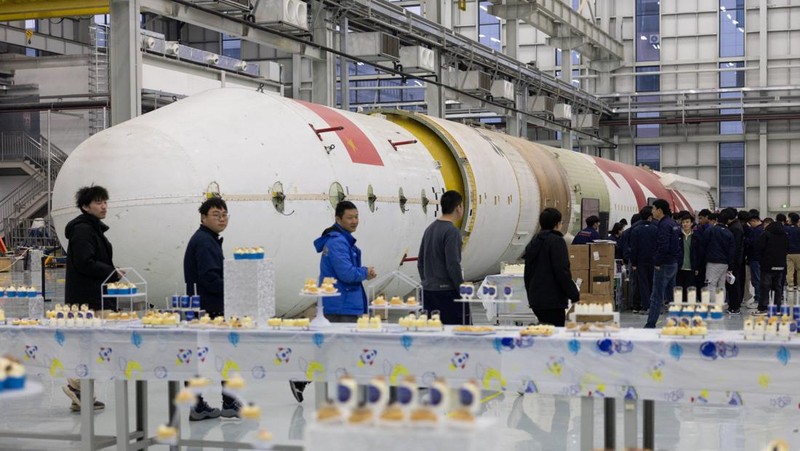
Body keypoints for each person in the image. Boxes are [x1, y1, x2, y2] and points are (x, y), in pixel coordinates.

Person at [291, 200, 376, 403]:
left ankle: (304, 379)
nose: (355, 221)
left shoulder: (341, 240)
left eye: (356, 217)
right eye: (350, 217)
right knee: (343, 350)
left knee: (333, 349)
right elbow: (346, 273)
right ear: (338, 219)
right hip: (342, 304)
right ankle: (343, 394)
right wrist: (365, 272)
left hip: (342, 302)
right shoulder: (338, 242)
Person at [63, 185, 122, 412]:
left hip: (93, 296)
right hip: (87, 300)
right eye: (98, 202)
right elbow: (84, 262)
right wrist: (112, 272)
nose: (104, 206)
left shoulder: (92, 229)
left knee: (89, 345)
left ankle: (80, 393)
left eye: (105, 201)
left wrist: (112, 272)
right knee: (91, 344)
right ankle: (77, 387)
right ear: (86, 206)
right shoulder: (83, 230)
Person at [183, 197, 240, 420]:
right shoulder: (205, 242)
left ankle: (199, 403)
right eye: (216, 215)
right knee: (222, 355)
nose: (222, 219)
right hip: (209, 308)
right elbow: (209, 279)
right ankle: (226, 402)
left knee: (204, 357)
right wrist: (236, 290)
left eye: (224, 214)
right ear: (203, 218)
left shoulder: (208, 239)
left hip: (204, 306)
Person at [523, 208, 579, 327]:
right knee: (554, 336)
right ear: (557, 224)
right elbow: (562, 271)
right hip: (553, 301)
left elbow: (527, 273)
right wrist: (574, 294)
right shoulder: (557, 242)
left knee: (544, 333)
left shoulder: (533, 243)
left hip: (536, 300)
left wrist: (530, 296)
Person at [418, 190, 466, 325]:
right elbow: (453, 264)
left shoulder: (429, 229)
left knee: (433, 335)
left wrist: (427, 282)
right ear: (458, 208)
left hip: (428, 292)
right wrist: (461, 288)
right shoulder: (452, 232)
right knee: (456, 334)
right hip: (447, 293)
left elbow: (420, 262)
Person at [644, 199, 681, 328]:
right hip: (673, 263)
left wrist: (658, 262)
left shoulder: (664, 225)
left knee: (656, 296)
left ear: (659, 210)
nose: (652, 211)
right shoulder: (673, 223)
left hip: (664, 264)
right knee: (671, 295)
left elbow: (663, 246)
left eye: (653, 209)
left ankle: (650, 324)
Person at [755, 217, 788, 314]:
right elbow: (787, 248)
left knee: (765, 287)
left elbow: (759, 248)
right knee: (778, 287)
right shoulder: (784, 235)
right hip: (780, 265)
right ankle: (777, 307)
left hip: (767, 265)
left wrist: (761, 260)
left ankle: (763, 307)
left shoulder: (766, 234)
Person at [703, 210, 735, 305]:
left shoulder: (710, 230)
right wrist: (731, 266)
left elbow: (703, 245)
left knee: (711, 285)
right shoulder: (729, 233)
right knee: (721, 285)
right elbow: (732, 251)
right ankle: (720, 304)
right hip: (725, 263)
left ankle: (713, 306)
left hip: (713, 262)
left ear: (716, 220)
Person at [630, 206, 657, 314]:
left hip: (641, 262)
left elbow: (634, 248)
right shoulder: (656, 228)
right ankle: (654, 305)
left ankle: (646, 306)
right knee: (653, 283)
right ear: (650, 217)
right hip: (654, 261)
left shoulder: (636, 230)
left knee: (643, 284)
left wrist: (634, 263)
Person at [676, 214, 700, 303]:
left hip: (691, 267)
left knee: (690, 289)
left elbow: (698, 253)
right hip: (679, 266)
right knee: (679, 289)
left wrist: (697, 267)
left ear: (691, 223)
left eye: (687, 222)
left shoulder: (696, 237)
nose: (685, 224)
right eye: (683, 222)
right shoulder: (677, 236)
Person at [724, 208, 745, 313]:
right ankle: (734, 304)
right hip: (736, 259)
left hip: (735, 260)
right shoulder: (736, 226)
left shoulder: (735, 228)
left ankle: (734, 306)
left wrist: (731, 263)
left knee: (733, 284)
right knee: (734, 283)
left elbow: (735, 247)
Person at [745, 213, 764, 309]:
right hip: (759, 258)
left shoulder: (757, 231)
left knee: (757, 280)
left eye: (750, 223)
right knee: (757, 279)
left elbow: (753, 243)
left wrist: (746, 240)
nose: (750, 225)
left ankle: (758, 300)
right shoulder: (762, 229)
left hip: (755, 258)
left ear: (754, 220)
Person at [785, 213, 800, 291]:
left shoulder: (786, 229)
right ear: (798, 220)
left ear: (790, 219)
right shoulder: (799, 229)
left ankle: (790, 285)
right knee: (799, 270)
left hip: (789, 253)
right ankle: (799, 285)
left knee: (790, 270)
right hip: (799, 253)